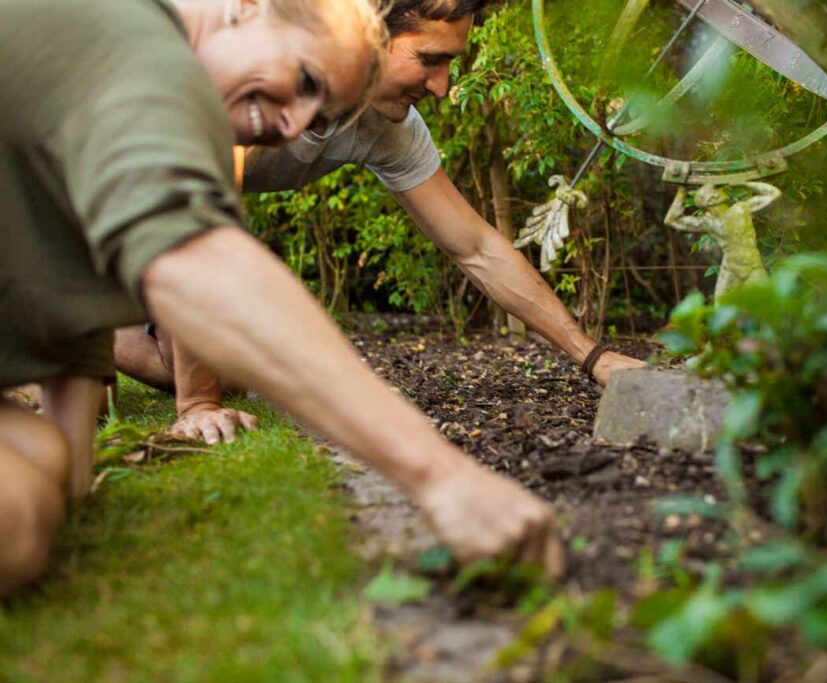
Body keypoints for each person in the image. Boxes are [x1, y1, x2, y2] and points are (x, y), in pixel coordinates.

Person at [1, 0, 562, 596]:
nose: (294, 128)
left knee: (43, 478)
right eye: (307, 81)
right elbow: (199, 265)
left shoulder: (129, 92)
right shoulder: (136, 47)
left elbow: (60, 251)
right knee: (17, 521)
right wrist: (440, 474)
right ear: (248, 8)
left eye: (322, 113)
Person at [113, 0, 648, 445]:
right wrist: (197, 406)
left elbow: (476, 247)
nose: (441, 87)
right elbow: (200, 223)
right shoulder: (248, 63)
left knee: (225, 369)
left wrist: (594, 358)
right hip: (90, 179)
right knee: (151, 386)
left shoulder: (387, 127)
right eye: (429, 60)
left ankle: (96, 326)